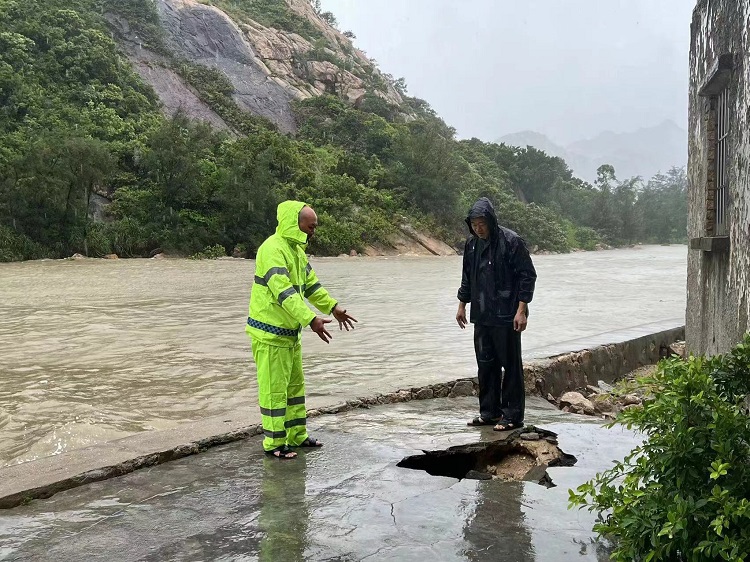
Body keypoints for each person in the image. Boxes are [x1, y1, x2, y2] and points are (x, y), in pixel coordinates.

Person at [247, 200, 356, 459]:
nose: (313, 232)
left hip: (288, 334)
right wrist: (311, 320)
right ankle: (274, 443)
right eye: (310, 227)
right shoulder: (271, 249)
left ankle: (296, 435)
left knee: (295, 388)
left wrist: (333, 307)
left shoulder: (296, 251)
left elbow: (310, 286)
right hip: (270, 334)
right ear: (294, 223)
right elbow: (284, 292)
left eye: (314, 227)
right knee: (274, 390)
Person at [456, 197, 537, 432]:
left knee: (510, 365)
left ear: (491, 221)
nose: (478, 228)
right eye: (474, 224)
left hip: (507, 315)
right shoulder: (471, 245)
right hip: (481, 314)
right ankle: (489, 412)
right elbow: (467, 277)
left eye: (482, 223)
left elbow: (527, 276)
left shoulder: (511, 242)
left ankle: (512, 416)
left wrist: (521, 311)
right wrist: (462, 304)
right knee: (485, 364)